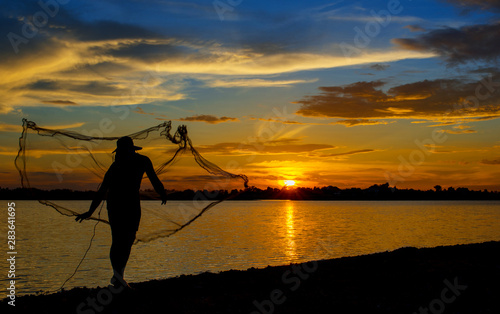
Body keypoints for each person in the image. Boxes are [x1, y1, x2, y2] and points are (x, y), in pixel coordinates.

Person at [75, 136, 167, 288]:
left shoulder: (142, 160)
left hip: (132, 204)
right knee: (118, 239)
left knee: (129, 238)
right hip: (116, 204)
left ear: (131, 150)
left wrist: (161, 192)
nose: (121, 154)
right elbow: (103, 189)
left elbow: (153, 178)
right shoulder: (116, 166)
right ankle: (118, 276)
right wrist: (90, 210)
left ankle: (118, 275)